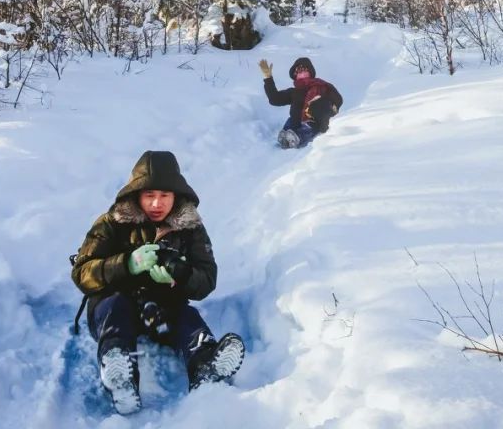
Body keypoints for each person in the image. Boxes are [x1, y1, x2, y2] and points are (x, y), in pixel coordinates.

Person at [70, 151, 245, 414]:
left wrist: (182, 274)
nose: (156, 204)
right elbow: (82, 272)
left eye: (164, 196)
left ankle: (205, 363)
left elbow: (207, 278)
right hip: (114, 304)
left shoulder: (191, 227)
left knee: (187, 316)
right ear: (136, 194)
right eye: (149, 195)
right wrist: (126, 265)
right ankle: (120, 371)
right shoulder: (111, 222)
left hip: (164, 305)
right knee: (116, 309)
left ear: (176, 196)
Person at [259, 56, 343, 148]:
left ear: (310, 71)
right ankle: (285, 136)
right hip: (295, 121)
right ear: (295, 74)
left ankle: (296, 137)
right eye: (298, 70)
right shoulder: (294, 92)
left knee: (308, 126)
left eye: (304, 69)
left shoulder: (321, 86)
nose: (301, 71)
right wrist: (268, 78)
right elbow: (275, 99)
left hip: (314, 122)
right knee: (290, 122)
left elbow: (337, 99)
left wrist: (332, 107)